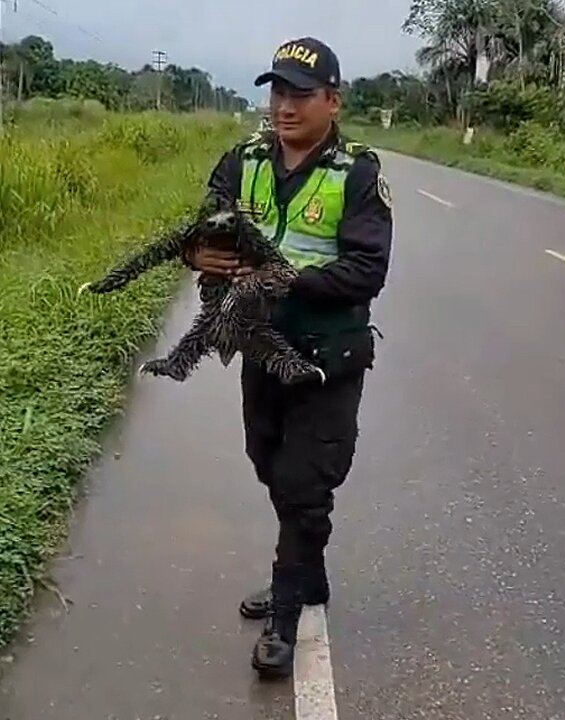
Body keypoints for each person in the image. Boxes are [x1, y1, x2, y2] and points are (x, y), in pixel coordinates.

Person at [184, 36, 393, 680]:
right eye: (277, 92)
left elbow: (366, 270)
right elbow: (204, 226)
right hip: (262, 351)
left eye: (300, 94)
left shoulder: (356, 173)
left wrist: (282, 280)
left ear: (333, 100)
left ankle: (285, 615)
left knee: (306, 483)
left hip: (328, 356)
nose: (284, 106)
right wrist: (201, 254)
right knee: (269, 464)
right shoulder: (243, 159)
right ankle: (311, 573)